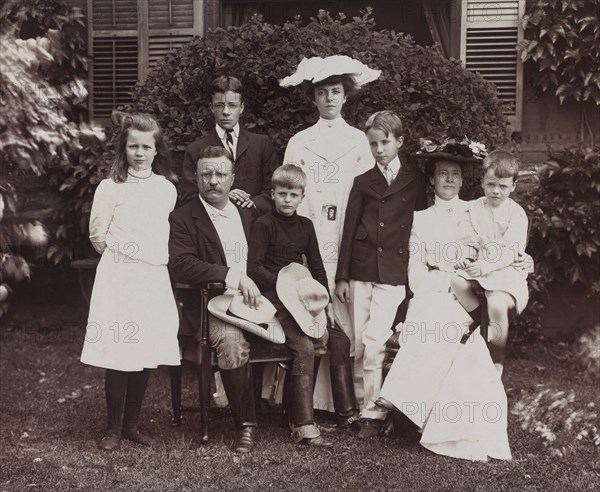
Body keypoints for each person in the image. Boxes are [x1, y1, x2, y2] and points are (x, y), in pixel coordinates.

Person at [375, 140, 514, 461]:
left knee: (444, 319)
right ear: (433, 180)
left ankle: (399, 395)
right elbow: (415, 268)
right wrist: (435, 284)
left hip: (469, 290)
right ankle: (418, 411)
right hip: (432, 288)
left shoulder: (476, 211)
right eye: (442, 174)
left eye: (455, 174)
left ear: (464, 180)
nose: (449, 179)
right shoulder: (420, 219)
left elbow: (492, 251)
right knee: (433, 317)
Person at [279, 55, 380, 421]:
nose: (330, 99)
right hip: (309, 234)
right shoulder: (299, 142)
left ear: (346, 96)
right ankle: (308, 402)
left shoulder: (358, 141)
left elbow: (369, 196)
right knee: (310, 306)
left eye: (335, 91)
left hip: (346, 235)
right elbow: (289, 192)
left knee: (347, 316)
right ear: (314, 98)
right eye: (322, 93)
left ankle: (348, 401)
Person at [80, 113, 180, 451]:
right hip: (119, 274)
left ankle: (132, 424)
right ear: (124, 149)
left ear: (156, 150)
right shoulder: (109, 188)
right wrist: (122, 258)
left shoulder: (166, 190)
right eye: (133, 146)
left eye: (146, 147)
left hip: (152, 276)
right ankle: (112, 428)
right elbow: (97, 234)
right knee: (118, 349)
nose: (139, 152)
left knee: (145, 347)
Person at [335, 110, 427, 438]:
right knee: (360, 342)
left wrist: (421, 273)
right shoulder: (363, 182)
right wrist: (342, 276)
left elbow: (422, 227)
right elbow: (349, 230)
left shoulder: (415, 180)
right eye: (372, 143)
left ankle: (373, 412)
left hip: (393, 271)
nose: (378, 149)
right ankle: (364, 407)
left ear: (399, 142)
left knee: (375, 341)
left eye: (384, 142)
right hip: (361, 269)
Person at [168, 145, 261, 453]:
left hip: (258, 302)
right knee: (232, 344)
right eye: (206, 173)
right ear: (195, 177)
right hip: (213, 306)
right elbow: (181, 263)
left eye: (221, 173)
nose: (214, 180)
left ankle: (300, 418)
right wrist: (233, 275)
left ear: (233, 178)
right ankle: (245, 426)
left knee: (312, 333)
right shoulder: (183, 218)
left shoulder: (248, 213)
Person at [247, 164, 334, 447]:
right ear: (273, 194)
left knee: (322, 338)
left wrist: (325, 301)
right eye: (282, 193)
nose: (287, 199)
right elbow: (255, 269)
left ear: (301, 197)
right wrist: (283, 285)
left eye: (293, 194)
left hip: (299, 294)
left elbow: (317, 267)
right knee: (304, 347)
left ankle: (292, 409)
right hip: (272, 297)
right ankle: (303, 424)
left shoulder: (305, 226)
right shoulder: (263, 224)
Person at [451, 150, 531, 375]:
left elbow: (511, 250)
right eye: (491, 184)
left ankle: (497, 357)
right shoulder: (473, 208)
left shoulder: (516, 213)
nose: (496, 191)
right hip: (479, 268)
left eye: (503, 186)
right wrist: (465, 257)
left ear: (513, 186)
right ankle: (480, 326)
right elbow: (466, 238)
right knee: (457, 282)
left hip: (505, 269)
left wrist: (485, 266)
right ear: (482, 182)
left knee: (496, 303)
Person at [179, 75, 279, 213]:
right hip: (213, 226)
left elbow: (274, 189)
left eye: (232, 105)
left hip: (255, 224)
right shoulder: (195, 149)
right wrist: (223, 198)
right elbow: (189, 197)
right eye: (219, 105)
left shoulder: (262, 144)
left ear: (242, 107)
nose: (226, 112)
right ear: (211, 107)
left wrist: (252, 204)